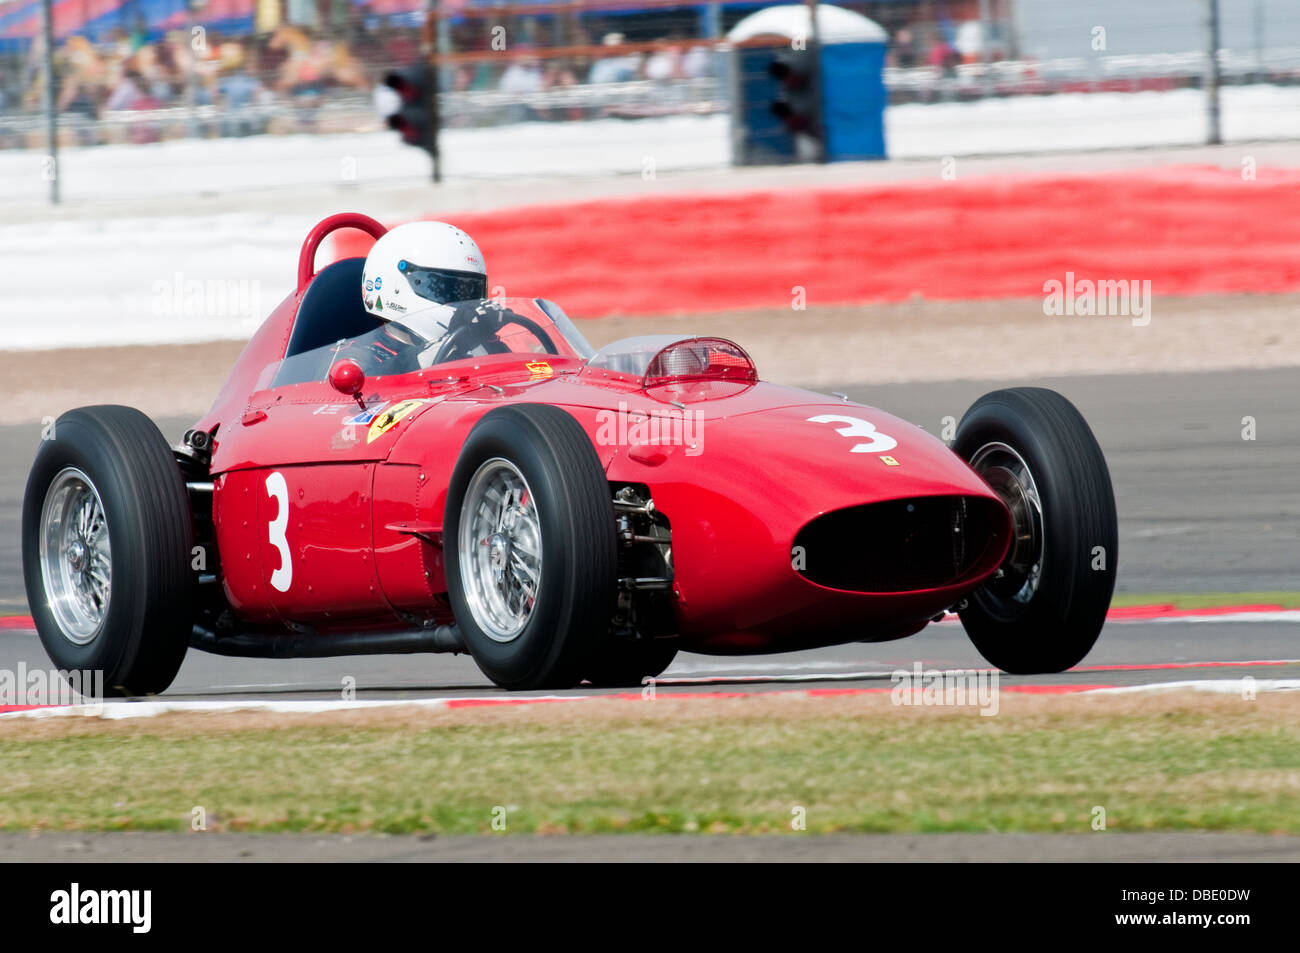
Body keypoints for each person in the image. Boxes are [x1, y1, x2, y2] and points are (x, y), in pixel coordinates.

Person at [338, 221, 491, 375]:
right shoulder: (350, 360)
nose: (463, 305)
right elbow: (361, 389)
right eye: (444, 289)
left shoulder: (468, 347)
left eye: (471, 291)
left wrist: (486, 342)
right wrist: (440, 350)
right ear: (395, 285)